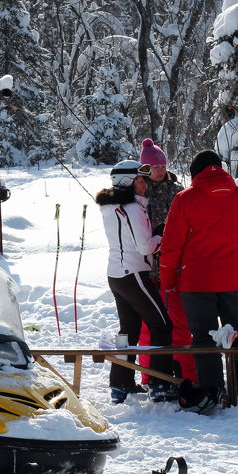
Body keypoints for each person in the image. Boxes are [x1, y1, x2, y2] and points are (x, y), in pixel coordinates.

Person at [159, 150, 238, 411]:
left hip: (196, 283)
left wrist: (168, 279)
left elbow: (171, 245)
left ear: (196, 173)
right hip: (233, 280)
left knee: (204, 338)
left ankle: (213, 393)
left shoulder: (185, 199)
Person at [96, 160, 174, 404]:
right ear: (128, 182)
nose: (145, 185)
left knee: (129, 330)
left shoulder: (111, 206)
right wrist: (162, 235)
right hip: (135, 273)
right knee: (162, 326)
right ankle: (160, 383)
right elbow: (144, 246)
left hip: (117, 274)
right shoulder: (133, 207)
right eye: (140, 181)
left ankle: (121, 384)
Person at [137, 138, 195, 383]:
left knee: (180, 322)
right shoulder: (139, 191)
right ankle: (150, 376)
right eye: (155, 167)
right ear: (145, 168)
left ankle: (186, 374)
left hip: (175, 263)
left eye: (162, 166)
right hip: (148, 265)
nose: (160, 170)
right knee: (150, 324)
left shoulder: (176, 189)